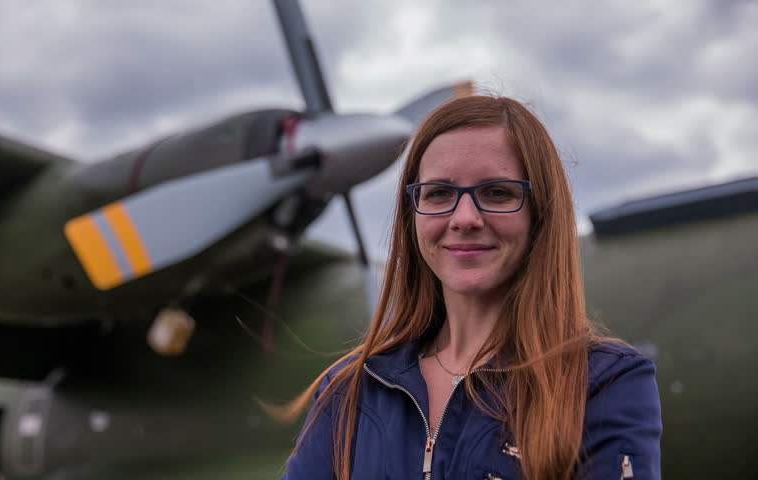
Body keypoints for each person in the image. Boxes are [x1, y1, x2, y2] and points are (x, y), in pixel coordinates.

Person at [278, 95, 662, 479]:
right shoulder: (351, 391)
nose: (465, 218)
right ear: (413, 215)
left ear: (539, 213)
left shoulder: (603, 383)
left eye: (497, 192)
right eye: (439, 193)